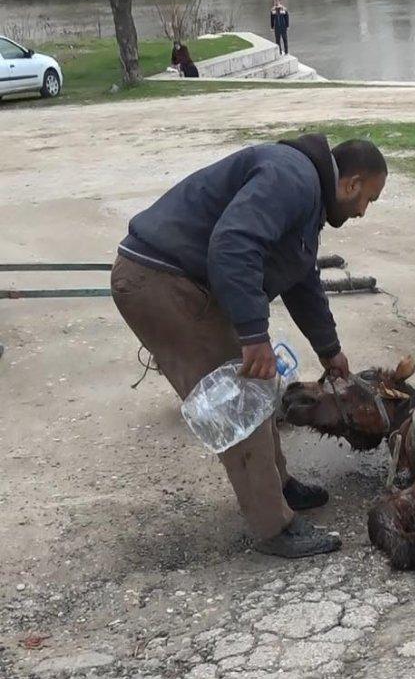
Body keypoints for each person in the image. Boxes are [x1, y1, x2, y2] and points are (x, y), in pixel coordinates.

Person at [110, 135, 388, 558]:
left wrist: (329, 349)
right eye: (369, 198)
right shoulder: (294, 179)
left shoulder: (305, 193)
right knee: (237, 402)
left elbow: (302, 279)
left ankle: (280, 487)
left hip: (180, 281)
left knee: (258, 390)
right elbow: (233, 243)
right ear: (352, 183)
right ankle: (275, 526)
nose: (364, 211)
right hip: (161, 283)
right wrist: (253, 334)